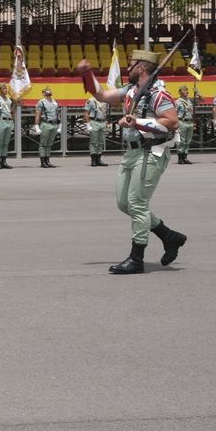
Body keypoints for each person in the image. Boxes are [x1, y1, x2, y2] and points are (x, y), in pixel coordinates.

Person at [76, 50, 186, 274]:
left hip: (150, 153)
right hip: (132, 154)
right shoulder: (132, 91)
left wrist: (138, 122)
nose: (128, 67)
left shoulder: (158, 94)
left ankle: (137, 258)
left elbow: (172, 122)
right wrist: (87, 74)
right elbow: (103, 96)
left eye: (132, 64)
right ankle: (169, 236)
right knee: (124, 203)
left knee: (137, 203)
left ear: (142, 68)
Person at [34, 87, 61, 168]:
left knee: (49, 144)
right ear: (43, 93)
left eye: (50, 90)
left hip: (54, 124)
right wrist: (36, 126)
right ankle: (43, 162)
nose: (49, 92)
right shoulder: (41, 102)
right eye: (47, 91)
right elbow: (37, 114)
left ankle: (47, 160)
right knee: (43, 144)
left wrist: (60, 125)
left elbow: (58, 114)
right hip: (46, 124)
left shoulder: (55, 102)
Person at [0, 83, 15, 169]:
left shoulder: (9, 100)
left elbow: (11, 111)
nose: (6, 90)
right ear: (0, 90)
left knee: (6, 143)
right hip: (0, 121)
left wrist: (13, 121)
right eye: (4, 89)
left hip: (8, 121)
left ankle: (4, 161)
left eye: (6, 89)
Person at [86, 92, 110, 167]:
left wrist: (107, 122)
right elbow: (86, 112)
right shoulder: (91, 101)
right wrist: (88, 124)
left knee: (101, 141)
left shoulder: (104, 101)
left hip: (102, 122)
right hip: (94, 122)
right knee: (93, 141)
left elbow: (105, 112)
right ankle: (93, 160)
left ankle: (98, 159)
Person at [174, 86, 194, 165]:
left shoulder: (190, 100)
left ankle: (185, 157)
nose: (186, 92)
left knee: (188, 141)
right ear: (180, 92)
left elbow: (201, 100)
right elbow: (175, 113)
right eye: (184, 90)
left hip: (190, 122)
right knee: (181, 141)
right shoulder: (178, 102)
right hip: (182, 122)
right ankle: (180, 158)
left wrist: (197, 93)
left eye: (187, 90)